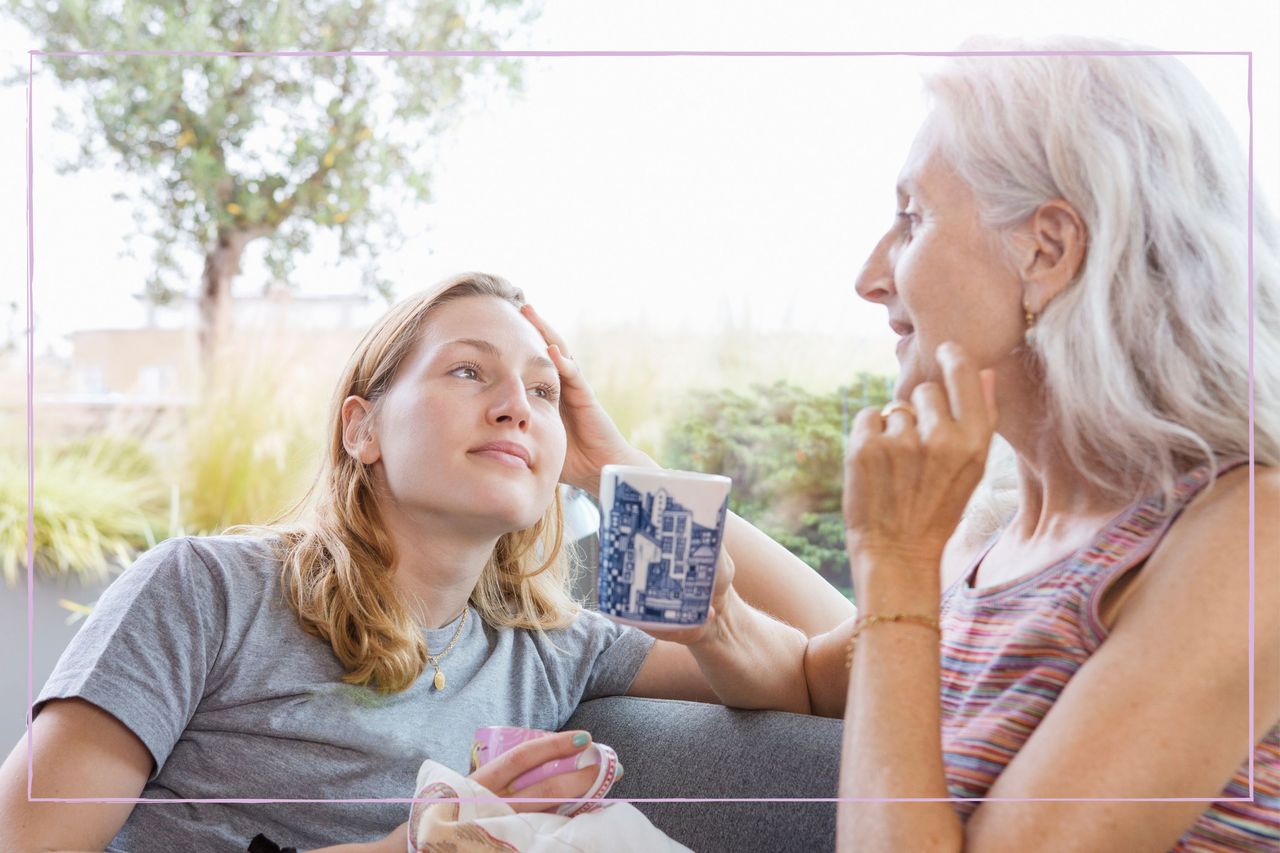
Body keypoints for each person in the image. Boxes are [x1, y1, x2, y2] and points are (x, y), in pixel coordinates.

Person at [0, 272, 854, 852]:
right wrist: (412, 843)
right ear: (362, 429)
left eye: (545, 394)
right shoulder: (204, 589)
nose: (517, 404)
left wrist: (620, 466)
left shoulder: (549, 641)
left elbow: (839, 663)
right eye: (469, 370)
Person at [823, 38, 1280, 851]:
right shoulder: (1006, 532)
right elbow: (813, 674)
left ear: (1047, 249)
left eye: (911, 218)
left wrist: (892, 555)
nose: (871, 275)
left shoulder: (1252, 537)